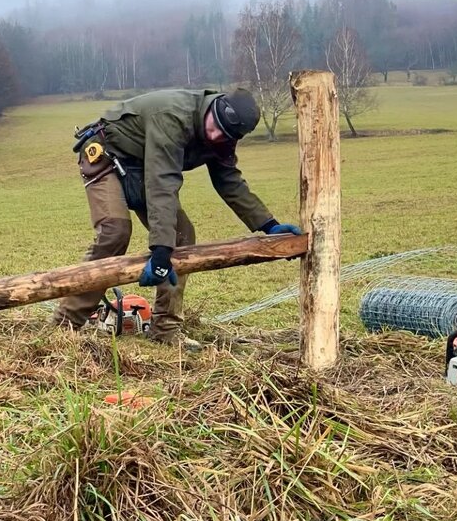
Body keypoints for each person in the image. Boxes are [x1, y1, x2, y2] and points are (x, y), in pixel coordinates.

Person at [52, 88, 301, 345]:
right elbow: (162, 183)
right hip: (108, 155)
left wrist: (268, 225)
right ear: (213, 108)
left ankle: (164, 329)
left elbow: (229, 180)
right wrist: (161, 251)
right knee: (115, 232)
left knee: (183, 237)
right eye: (216, 127)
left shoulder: (224, 134)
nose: (216, 136)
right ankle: (65, 325)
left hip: (142, 165)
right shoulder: (172, 116)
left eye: (225, 135)